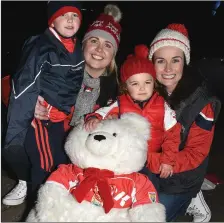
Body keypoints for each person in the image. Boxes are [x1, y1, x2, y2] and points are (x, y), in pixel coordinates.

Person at [2, 3, 122, 206]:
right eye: (94, 41)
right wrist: (32, 104)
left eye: (108, 45)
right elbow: (11, 83)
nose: (99, 49)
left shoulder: (116, 88)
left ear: (113, 56)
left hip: (83, 149)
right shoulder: (61, 70)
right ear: (81, 45)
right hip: (51, 137)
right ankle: (27, 179)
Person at [147, 23, 221, 222]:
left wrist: (161, 162)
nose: (168, 69)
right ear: (152, 63)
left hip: (182, 178)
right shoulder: (146, 90)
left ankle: (192, 197)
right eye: (161, 61)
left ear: (184, 63)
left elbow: (196, 153)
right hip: (150, 169)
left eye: (175, 60)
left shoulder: (202, 103)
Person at [84, 44, 182, 184]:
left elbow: (173, 135)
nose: (142, 88)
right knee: (123, 187)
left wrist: (167, 161)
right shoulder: (120, 103)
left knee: (148, 191)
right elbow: (102, 112)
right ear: (125, 86)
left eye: (147, 82)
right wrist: (94, 118)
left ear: (154, 83)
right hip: (126, 158)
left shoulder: (162, 106)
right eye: (135, 84)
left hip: (152, 162)